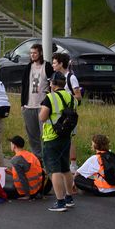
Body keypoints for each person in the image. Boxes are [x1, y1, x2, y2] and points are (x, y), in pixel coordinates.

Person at [39, 71, 77, 212]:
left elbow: (42, 117)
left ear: (53, 84)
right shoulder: (71, 97)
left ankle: (60, 202)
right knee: (65, 168)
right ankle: (69, 198)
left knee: (54, 170)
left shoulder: (50, 98)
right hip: (66, 136)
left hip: (52, 137)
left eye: (50, 82)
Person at [53, 51, 84, 173]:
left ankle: (73, 164)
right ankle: (61, 161)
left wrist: (65, 98)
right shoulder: (55, 76)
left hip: (69, 114)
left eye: (55, 63)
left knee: (69, 138)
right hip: (57, 113)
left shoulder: (71, 78)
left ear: (61, 64)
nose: (53, 65)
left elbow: (78, 96)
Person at [20, 43, 48, 158]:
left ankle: (46, 156)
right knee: (32, 135)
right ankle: (37, 158)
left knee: (44, 134)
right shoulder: (28, 67)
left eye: (35, 53)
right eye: (31, 53)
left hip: (42, 106)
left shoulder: (47, 66)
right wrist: (23, 103)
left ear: (40, 53)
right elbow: (24, 86)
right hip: (29, 105)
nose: (32, 55)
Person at [3, 136, 45, 200]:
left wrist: (27, 195)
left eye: (11, 144)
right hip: (37, 188)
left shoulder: (16, 159)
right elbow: (28, 172)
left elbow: (22, 178)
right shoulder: (30, 155)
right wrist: (11, 173)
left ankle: (28, 195)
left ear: (14, 146)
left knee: (3, 190)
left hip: (26, 191)